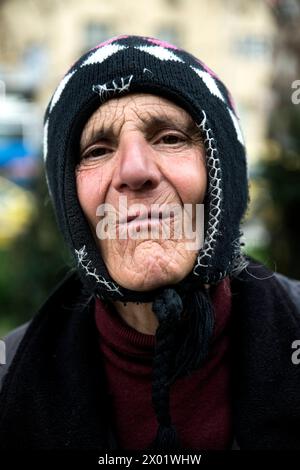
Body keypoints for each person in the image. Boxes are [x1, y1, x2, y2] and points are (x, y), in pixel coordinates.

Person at [0, 34, 300, 451]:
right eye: (97, 150)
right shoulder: (10, 378)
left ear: (224, 179)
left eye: (170, 138)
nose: (135, 170)